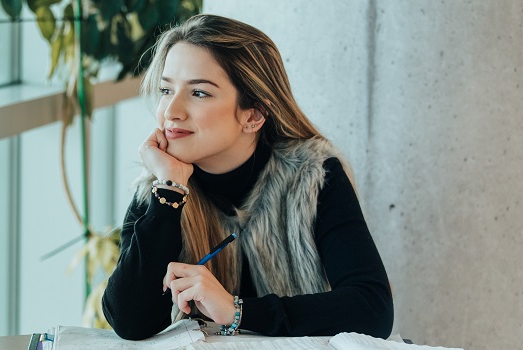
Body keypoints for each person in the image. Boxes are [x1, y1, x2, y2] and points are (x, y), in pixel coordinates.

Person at [101, 14, 393, 340]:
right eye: (166, 89)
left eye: (199, 93)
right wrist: (169, 192)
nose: (171, 111)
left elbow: (372, 308)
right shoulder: (161, 186)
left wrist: (235, 310)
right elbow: (130, 321)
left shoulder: (313, 176)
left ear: (253, 115)